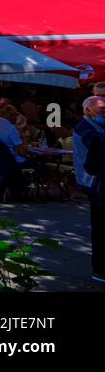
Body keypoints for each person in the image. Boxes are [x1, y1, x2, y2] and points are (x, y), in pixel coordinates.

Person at [72, 96, 105, 284]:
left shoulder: (94, 127)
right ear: (88, 111)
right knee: (100, 228)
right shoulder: (85, 129)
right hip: (94, 183)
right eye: (101, 108)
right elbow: (94, 147)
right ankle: (99, 270)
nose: (104, 112)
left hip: (95, 182)